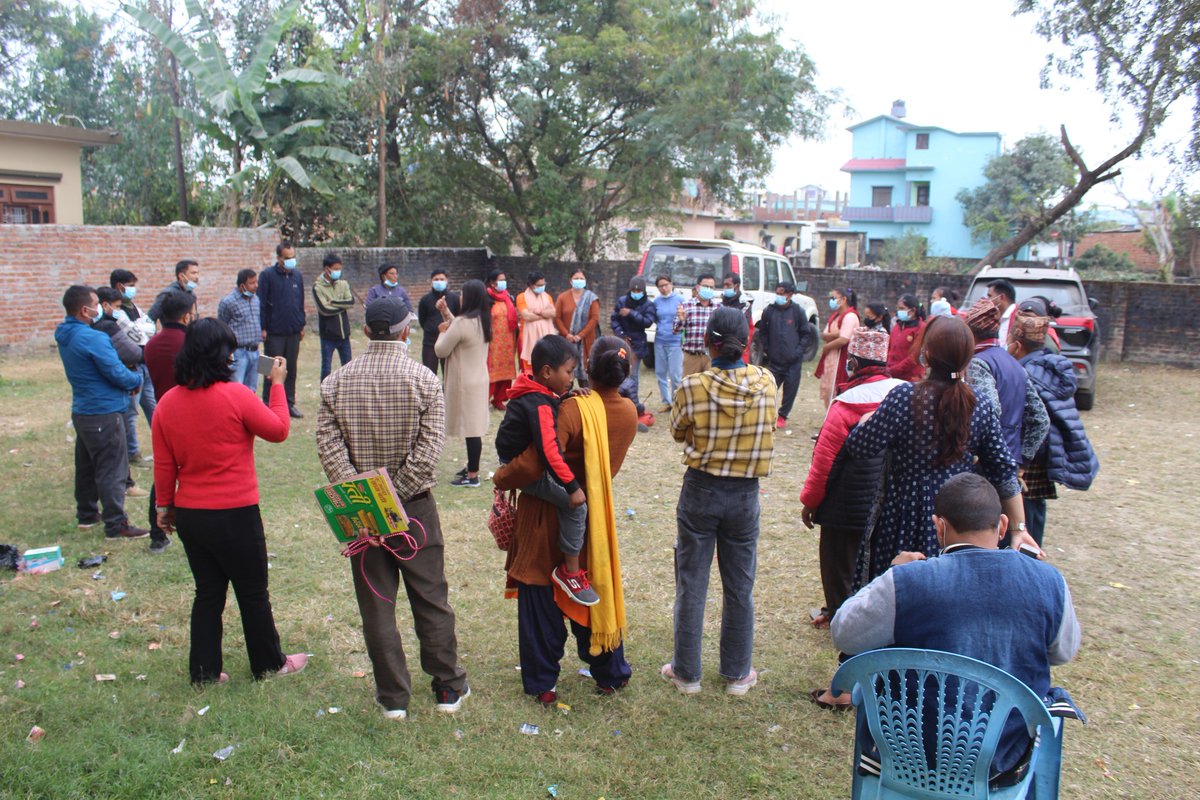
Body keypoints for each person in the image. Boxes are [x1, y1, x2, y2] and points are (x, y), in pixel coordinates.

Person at [808, 315, 1036, 711]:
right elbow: (1003, 468)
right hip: (954, 521)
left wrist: (867, 421)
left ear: (926, 353)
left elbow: (861, 446)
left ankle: (846, 688)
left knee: (879, 599)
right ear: (967, 358)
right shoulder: (978, 406)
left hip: (899, 515)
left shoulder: (904, 398)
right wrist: (1019, 527)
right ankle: (923, 693)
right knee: (943, 605)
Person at [831, 473, 1081, 783]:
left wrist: (891, 573)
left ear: (940, 527)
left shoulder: (907, 580)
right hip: (1004, 759)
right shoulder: (1049, 581)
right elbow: (1063, 652)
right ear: (1002, 525)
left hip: (911, 753)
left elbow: (843, 632)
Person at [317, 297, 470, 718]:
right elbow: (428, 452)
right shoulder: (423, 380)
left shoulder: (336, 383)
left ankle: (393, 699)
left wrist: (369, 500)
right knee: (431, 599)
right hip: (414, 510)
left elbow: (329, 450)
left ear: (365, 332)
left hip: (361, 516)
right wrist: (395, 501)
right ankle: (448, 689)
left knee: (377, 605)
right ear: (407, 331)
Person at [152, 318, 306, 684]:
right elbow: (278, 430)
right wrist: (278, 387)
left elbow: (163, 463)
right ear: (223, 355)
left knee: (207, 593)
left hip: (191, 514)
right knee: (252, 593)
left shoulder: (167, 403)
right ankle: (269, 664)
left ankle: (204, 673)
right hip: (235, 514)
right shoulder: (235, 395)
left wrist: (163, 506)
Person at [495, 336, 639, 704]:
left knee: (541, 594)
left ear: (586, 369)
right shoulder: (628, 412)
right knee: (591, 592)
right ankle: (610, 673)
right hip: (593, 513)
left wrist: (502, 477)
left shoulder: (572, 409)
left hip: (548, 510)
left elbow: (539, 458)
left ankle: (544, 682)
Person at [663, 307, 776, 696]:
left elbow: (678, 431)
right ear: (746, 343)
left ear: (709, 342)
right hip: (745, 495)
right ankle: (737, 673)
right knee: (740, 586)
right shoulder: (767, 383)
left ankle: (686, 673)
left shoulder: (692, 386)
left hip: (701, 490)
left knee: (691, 583)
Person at [800, 327, 905, 629]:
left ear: (854, 364)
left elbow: (824, 463)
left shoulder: (846, 404)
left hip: (844, 505)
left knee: (838, 564)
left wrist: (810, 502)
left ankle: (840, 617)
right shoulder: (903, 395)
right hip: (888, 501)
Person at [495, 335, 595, 606]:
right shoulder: (539, 403)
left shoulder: (536, 392)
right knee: (577, 507)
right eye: (568, 372)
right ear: (547, 372)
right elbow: (549, 450)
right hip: (520, 468)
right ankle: (570, 572)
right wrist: (573, 488)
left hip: (512, 457)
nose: (571, 378)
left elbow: (547, 405)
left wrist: (564, 396)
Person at [56, 285, 148, 540]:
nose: (100, 308)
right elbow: (115, 371)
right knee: (112, 468)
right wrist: (135, 378)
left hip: (84, 411)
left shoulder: (64, 333)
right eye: (96, 304)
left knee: (86, 465)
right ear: (85, 310)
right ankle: (116, 524)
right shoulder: (93, 338)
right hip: (104, 411)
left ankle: (87, 515)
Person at [1008, 313, 1100, 545]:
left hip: (1028, 459)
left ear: (1017, 345)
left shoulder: (1025, 374)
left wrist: (1020, 464)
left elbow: (1035, 422)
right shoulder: (1053, 368)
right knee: (1034, 516)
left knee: (1020, 519)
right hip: (1047, 455)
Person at [964, 297, 1050, 476]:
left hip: (986, 464)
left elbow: (988, 411)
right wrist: (1023, 460)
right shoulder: (1015, 365)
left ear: (970, 332)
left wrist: (976, 451)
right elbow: (1041, 419)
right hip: (1010, 461)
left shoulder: (978, 363)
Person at [142, 292, 196, 554]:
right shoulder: (189, 343)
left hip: (163, 413)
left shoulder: (152, 344)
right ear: (186, 316)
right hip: (192, 415)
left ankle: (157, 534)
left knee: (163, 474)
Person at [435, 279, 491, 488]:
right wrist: (446, 313)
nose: (459, 297)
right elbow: (458, 328)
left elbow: (441, 349)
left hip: (464, 383)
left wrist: (441, 331)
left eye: (462, 294)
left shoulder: (463, 322)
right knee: (474, 428)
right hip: (478, 379)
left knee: (471, 429)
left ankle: (473, 475)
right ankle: (472, 467)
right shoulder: (482, 320)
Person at [94, 287, 147, 473]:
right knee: (128, 417)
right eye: (117, 307)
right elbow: (131, 352)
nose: (119, 311)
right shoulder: (108, 326)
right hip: (123, 377)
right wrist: (133, 377)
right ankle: (131, 453)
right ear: (105, 305)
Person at [109, 269, 157, 464]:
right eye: (130, 285)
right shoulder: (115, 312)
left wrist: (139, 328)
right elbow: (132, 334)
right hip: (131, 366)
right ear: (119, 286)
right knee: (131, 412)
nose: (132, 289)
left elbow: (151, 327)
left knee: (153, 407)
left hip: (145, 365)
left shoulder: (133, 307)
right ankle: (133, 452)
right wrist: (140, 328)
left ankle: (167, 444)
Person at [757, 281, 816, 430]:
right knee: (768, 389)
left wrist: (798, 352)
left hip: (793, 361)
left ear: (789, 295)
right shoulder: (769, 311)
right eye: (777, 292)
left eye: (781, 293)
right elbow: (762, 333)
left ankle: (783, 415)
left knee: (790, 390)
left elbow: (806, 334)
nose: (778, 296)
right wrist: (768, 350)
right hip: (774, 360)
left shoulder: (798, 311)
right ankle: (766, 415)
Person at [257, 241, 306, 418]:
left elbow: (300, 302)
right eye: (287, 258)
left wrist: (302, 324)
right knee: (270, 367)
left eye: (293, 257)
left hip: (293, 330)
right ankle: (267, 402)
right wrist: (262, 327)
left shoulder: (297, 276)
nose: (291, 261)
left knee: (290, 368)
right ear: (279, 258)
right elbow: (260, 303)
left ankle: (289, 403)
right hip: (273, 331)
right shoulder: (267, 276)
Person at [610, 275, 655, 406]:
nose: (636, 293)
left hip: (637, 344)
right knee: (619, 372)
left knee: (633, 374)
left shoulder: (648, 305)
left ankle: (632, 402)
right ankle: (619, 399)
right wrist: (621, 334)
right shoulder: (622, 301)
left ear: (643, 291)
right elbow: (614, 319)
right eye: (633, 291)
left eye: (638, 291)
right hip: (622, 342)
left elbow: (648, 322)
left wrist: (631, 313)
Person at [217, 269, 262, 392]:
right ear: (242, 285)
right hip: (238, 352)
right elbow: (222, 326)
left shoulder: (256, 299)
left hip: (254, 351)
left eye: (256, 282)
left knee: (252, 389)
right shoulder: (228, 302)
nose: (256, 286)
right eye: (252, 283)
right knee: (236, 388)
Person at [312, 253, 354, 381]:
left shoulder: (343, 284)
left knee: (348, 367)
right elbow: (324, 309)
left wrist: (333, 302)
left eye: (339, 269)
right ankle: (325, 396)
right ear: (327, 269)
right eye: (335, 269)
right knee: (326, 369)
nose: (338, 272)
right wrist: (342, 306)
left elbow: (351, 302)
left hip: (344, 335)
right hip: (328, 336)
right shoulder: (317, 287)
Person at [554, 268, 600, 386]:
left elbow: (594, 319)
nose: (579, 280)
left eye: (581, 278)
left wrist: (580, 335)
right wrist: (567, 334)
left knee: (585, 376)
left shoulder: (591, 298)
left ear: (585, 280)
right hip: (566, 341)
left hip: (586, 341)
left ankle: (587, 402)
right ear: (570, 280)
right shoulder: (562, 297)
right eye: (576, 278)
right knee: (565, 373)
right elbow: (557, 318)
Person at [816, 287, 860, 407]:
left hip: (842, 357)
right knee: (828, 388)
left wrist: (827, 347)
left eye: (833, 298)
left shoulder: (850, 316)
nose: (831, 301)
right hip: (831, 358)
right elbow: (824, 335)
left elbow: (844, 339)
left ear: (844, 299)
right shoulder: (835, 316)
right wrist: (836, 334)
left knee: (838, 388)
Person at [485, 269, 519, 409]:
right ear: (493, 283)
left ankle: (499, 399)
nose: (503, 282)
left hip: (507, 341)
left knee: (506, 370)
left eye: (504, 279)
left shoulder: (508, 297)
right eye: (500, 280)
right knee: (491, 371)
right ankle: (485, 398)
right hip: (492, 341)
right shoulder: (487, 298)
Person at [673, 273, 718, 377]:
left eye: (711, 287)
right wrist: (681, 320)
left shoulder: (718, 307)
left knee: (710, 389)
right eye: (706, 286)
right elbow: (675, 331)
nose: (709, 289)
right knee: (688, 389)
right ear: (698, 287)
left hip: (711, 357)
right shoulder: (685, 306)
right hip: (691, 356)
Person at [417, 269, 460, 376]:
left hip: (449, 341)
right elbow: (422, 320)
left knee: (449, 374)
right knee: (428, 374)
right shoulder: (425, 300)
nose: (439, 281)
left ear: (447, 281)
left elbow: (458, 318)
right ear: (431, 281)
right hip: (430, 343)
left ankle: (447, 393)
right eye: (436, 279)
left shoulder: (455, 299)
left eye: (442, 279)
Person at [651, 274, 684, 411]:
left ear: (671, 284)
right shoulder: (656, 301)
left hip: (675, 342)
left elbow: (684, 319)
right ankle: (666, 401)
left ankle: (677, 402)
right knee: (660, 373)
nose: (664, 288)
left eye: (666, 285)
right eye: (660, 286)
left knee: (676, 374)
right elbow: (654, 318)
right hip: (659, 340)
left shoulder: (680, 299)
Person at [517, 270, 556, 374]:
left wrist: (538, 312)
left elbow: (553, 313)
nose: (542, 287)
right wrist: (544, 315)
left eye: (543, 284)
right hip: (527, 339)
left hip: (547, 338)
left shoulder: (547, 297)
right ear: (530, 284)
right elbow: (527, 316)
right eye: (539, 285)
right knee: (530, 370)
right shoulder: (522, 297)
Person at [887, 293, 927, 382]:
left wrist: (893, 370)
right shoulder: (897, 326)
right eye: (898, 308)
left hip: (910, 378)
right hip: (891, 375)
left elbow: (914, 357)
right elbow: (889, 348)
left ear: (912, 311)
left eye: (901, 309)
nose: (898, 311)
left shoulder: (921, 328)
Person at [147, 259, 199, 323]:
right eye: (193, 273)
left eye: (197, 273)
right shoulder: (168, 294)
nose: (197, 277)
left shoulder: (191, 294)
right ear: (181, 276)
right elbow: (150, 318)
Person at [721, 274, 754, 363]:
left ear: (737, 286)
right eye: (724, 285)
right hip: (722, 347)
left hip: (739, 347)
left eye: (728, 285)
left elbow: (741, 326)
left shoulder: (745, 304)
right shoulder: (722, 302)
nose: (725, 287)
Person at [988, 278, 1018, 344]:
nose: (987, 300)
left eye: (990, 296)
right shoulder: (994, 317)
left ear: (1001, 297)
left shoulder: (1019, 317)